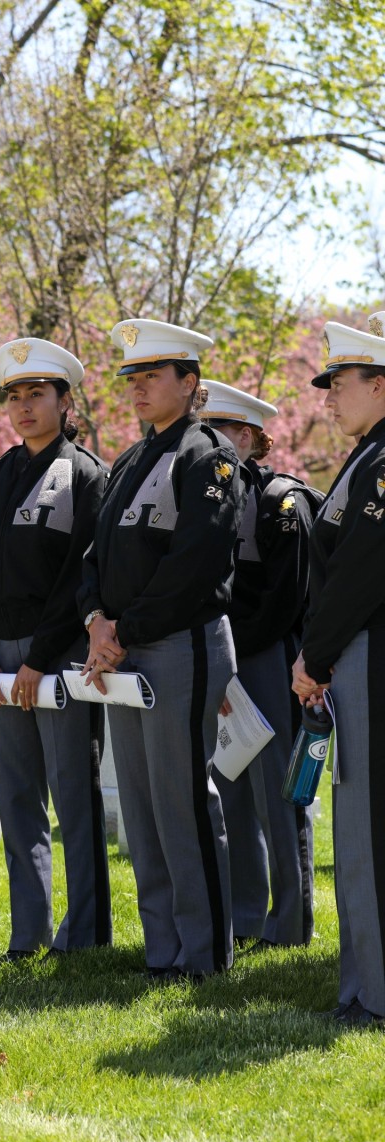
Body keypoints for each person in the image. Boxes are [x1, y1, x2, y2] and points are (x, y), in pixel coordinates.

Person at [79, 318, 246, 980]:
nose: (139, 388)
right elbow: (96, 554)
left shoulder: (211, 456)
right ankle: (162, 950)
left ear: (190, 382)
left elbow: (196, 564)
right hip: (123, 650)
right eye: (132, 378)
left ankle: (204, 955)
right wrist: (95, 619)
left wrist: (123, 631)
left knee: (182, 802)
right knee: (143, 810)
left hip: (180, 644)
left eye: (153, 376)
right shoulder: (128, 458)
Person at [0, 337, 112, 959]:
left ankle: (86, 938)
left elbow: (82, 578)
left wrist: (40, 659)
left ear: (64, 400)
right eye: (14, 397)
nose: (23, 407)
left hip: (62, 656)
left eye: (37, 395)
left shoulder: (86, 474)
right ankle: (30, 934)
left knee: (73, 797)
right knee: (20, 802)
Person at [292, 311, 385, 1027]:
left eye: (341, 383)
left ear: (380, 386)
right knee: (353, 831)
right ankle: (358, 987)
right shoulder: (366, 455)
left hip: (367, 657)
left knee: (370, 832)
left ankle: (375, 996)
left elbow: (359, 574)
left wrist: (314, 657)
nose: (328, 397)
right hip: (348, 656)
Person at [201, 380, 314, 948]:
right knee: (231, 788)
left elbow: (286, 598)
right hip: (220, 658)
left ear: (247, 436)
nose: (209, 442)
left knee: (278, 794)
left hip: (267, 658)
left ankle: (290, 924)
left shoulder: (282, 500)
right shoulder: (203, 495)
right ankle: (247, 918)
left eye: (219, 430)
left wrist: (235, 656)